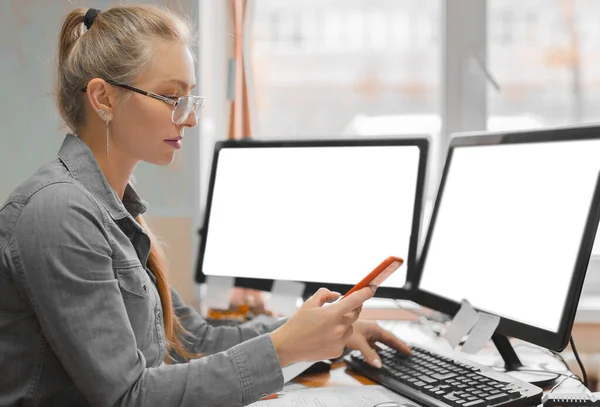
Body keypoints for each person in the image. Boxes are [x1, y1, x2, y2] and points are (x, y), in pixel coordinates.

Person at [0, 5, 410, 407]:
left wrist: (315, 332)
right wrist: (285, 348)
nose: (189, 119)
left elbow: (191, 339)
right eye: (170, 96)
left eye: (190, 98)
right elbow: (128, 397)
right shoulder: (58, 213)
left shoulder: (113, 208)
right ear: (103, 98)